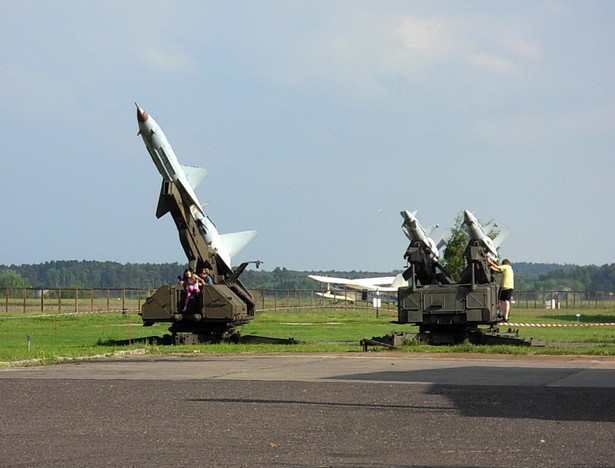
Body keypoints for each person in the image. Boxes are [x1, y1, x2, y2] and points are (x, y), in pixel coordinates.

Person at [488, 258, 514, 322]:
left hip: (504, 287)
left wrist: (489, 261)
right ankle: (505, 316)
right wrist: (492, 267)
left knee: (501, 301)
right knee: (505, 301)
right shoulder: (509, 269)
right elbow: (499, 270)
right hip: (509, 287)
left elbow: (497, 267)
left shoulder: (506, 266)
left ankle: (502, 314)